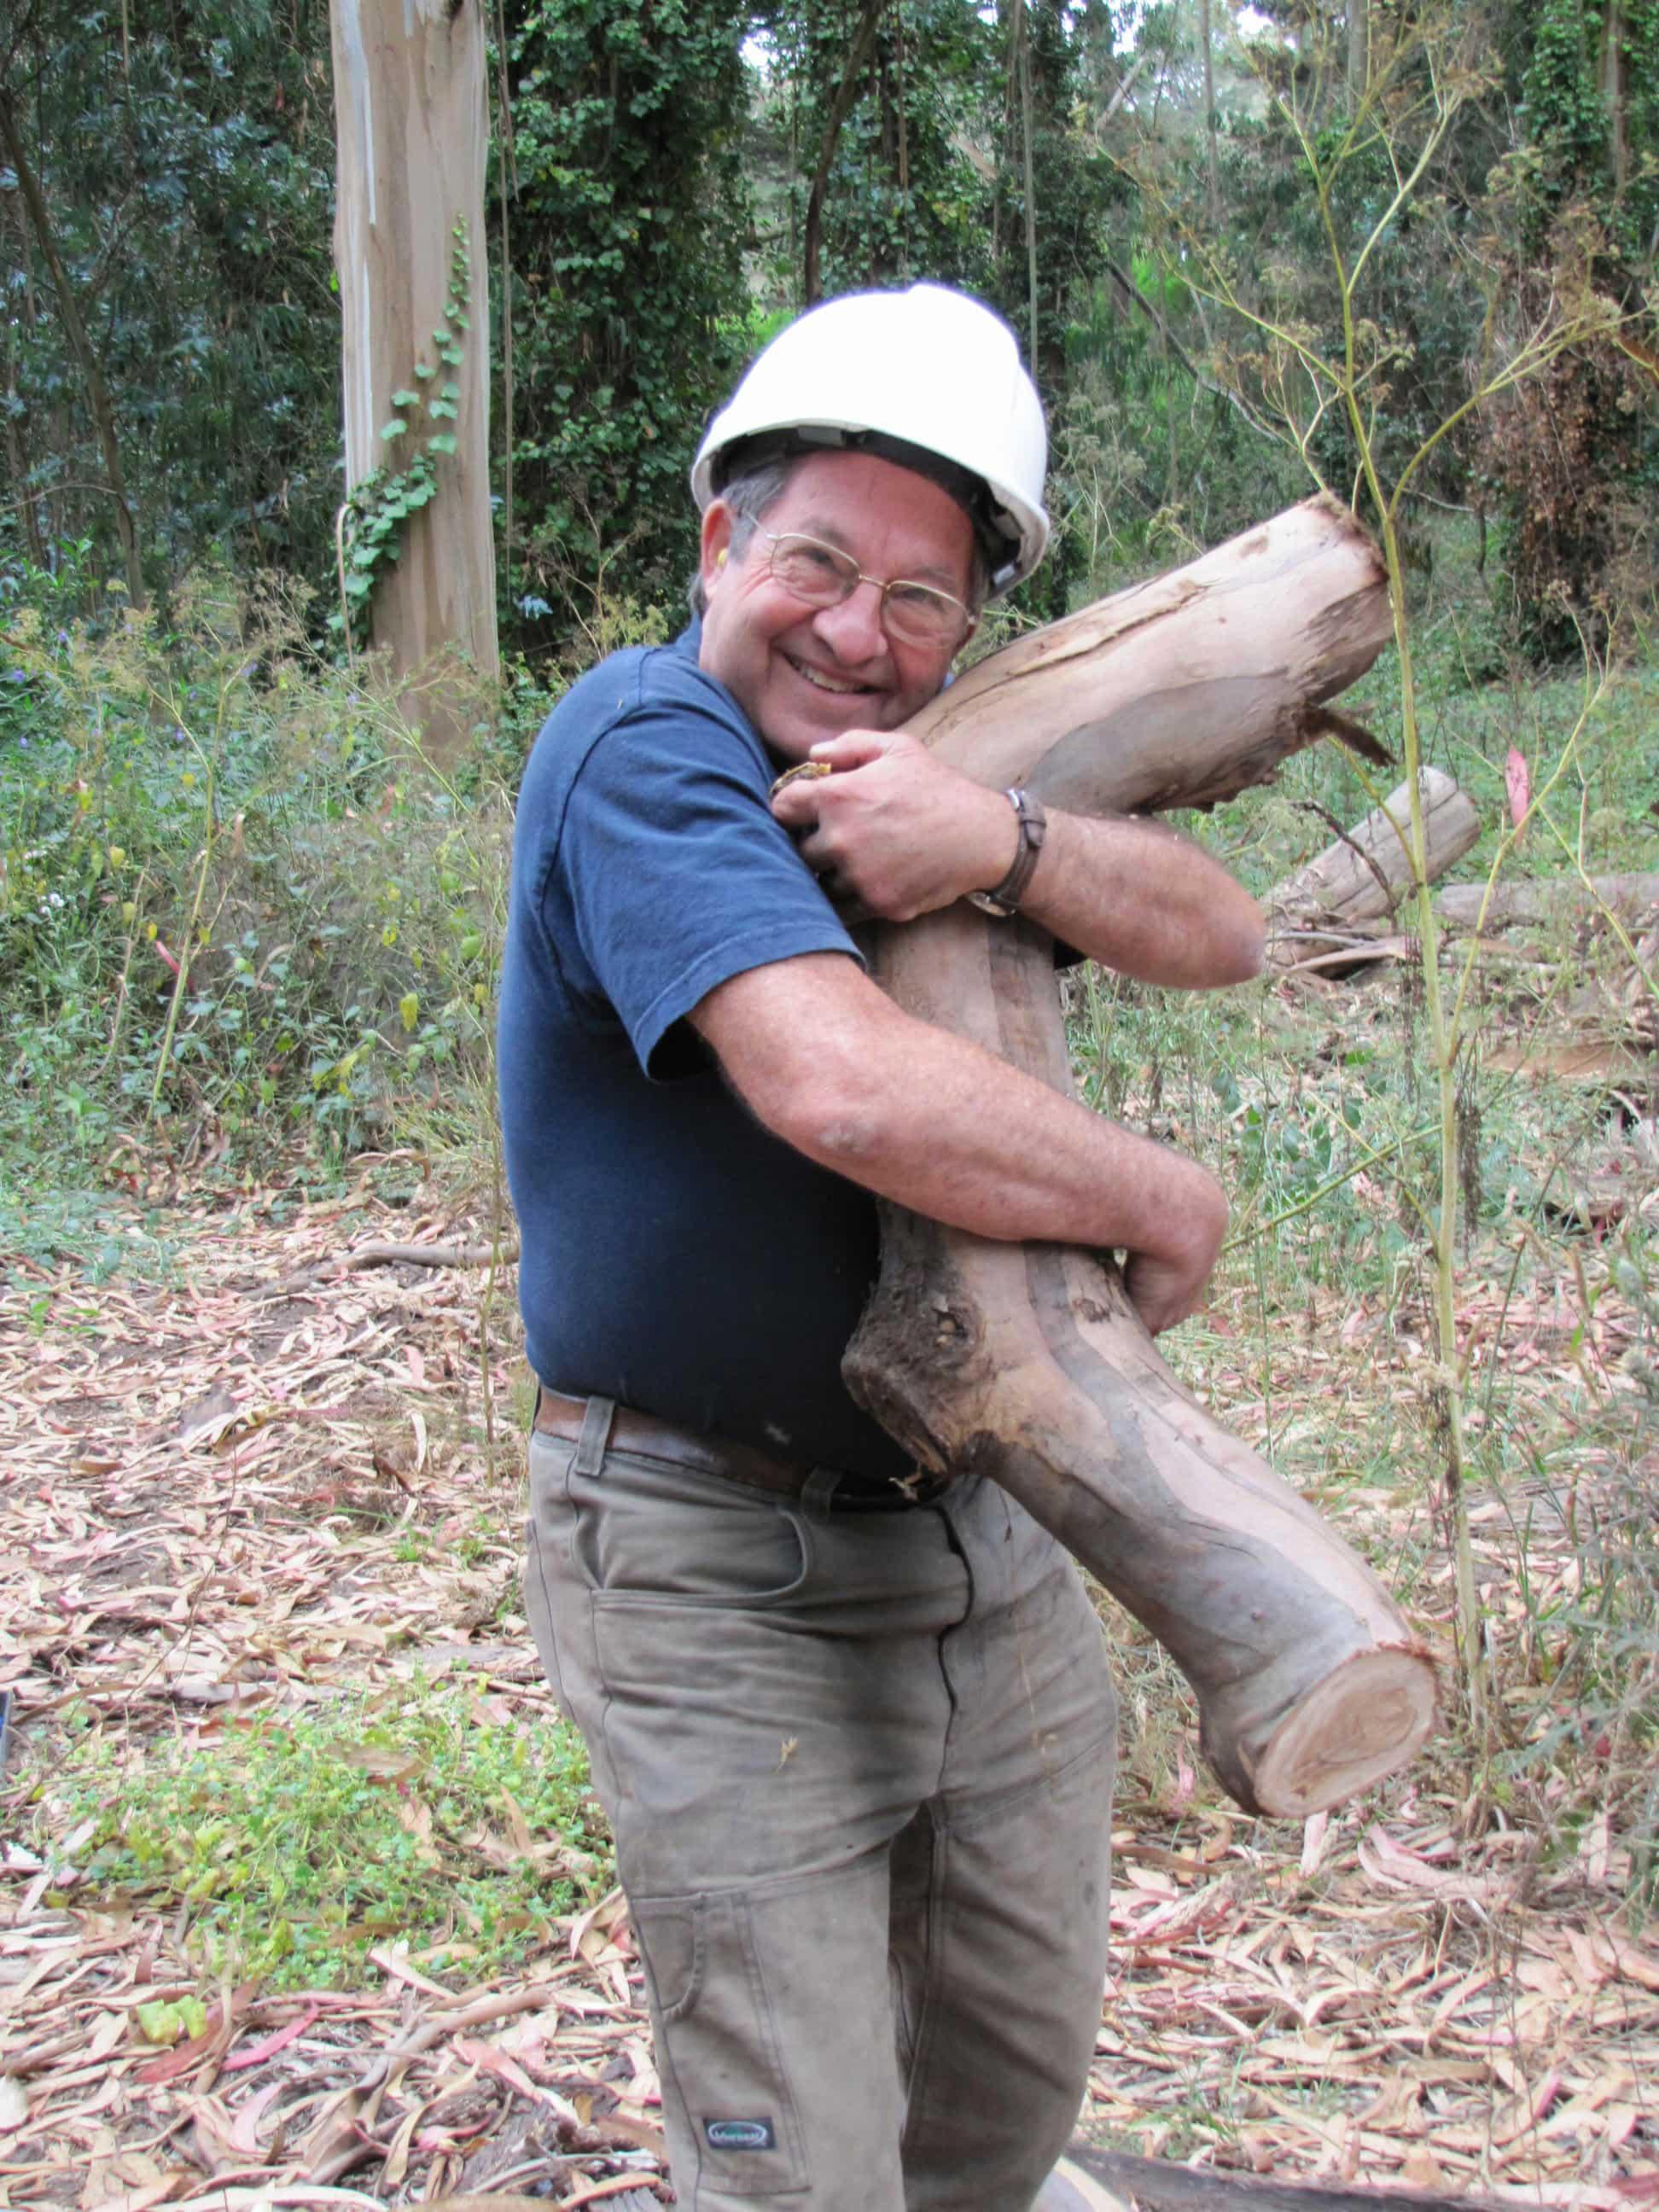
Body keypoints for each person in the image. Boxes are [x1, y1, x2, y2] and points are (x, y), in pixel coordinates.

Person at [498, 282, 1265, 2212]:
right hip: (707, 1560)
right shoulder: (644, 744)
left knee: (1005, 2093)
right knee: (803, 2163)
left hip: (977, 1536)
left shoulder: (924, 771)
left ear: (970, 627)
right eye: (821, 562)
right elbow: (836, 1085)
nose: (860, 630)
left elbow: (1222, 930)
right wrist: (1154, 1194)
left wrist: (1003, 840)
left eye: (920, 598)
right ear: (719, 542)